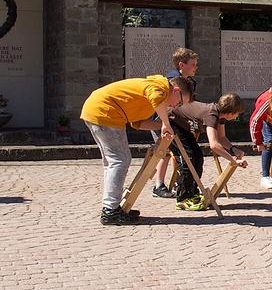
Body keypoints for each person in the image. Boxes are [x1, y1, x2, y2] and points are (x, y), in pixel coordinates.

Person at [80, 75, 192, 225]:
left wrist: (162, 125)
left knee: (112, 162)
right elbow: (155, 95)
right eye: (178, 102)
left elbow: (138, 123)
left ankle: (111, 207)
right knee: (120, 161)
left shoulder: (155, 99)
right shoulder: (161, 87)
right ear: (176, 90)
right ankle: (110, 211)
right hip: (105, 111)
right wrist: (165, 123)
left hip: (99, 110)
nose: (174, 107)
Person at [166, 93, 248, 211]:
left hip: (182, 126)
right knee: (188, 158)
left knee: (198, 157)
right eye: (237, 114)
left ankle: (192, 193)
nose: (237, 116)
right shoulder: (212, 115)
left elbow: (221, 138)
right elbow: (214, 145)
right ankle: (183, 198)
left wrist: (233, 149)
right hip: (171, 123)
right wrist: (233, 160)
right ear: (230, 113)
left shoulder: (221, 116)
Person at [152, 47, 199, 199]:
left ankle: (180, 182)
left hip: (179, 122)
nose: (195, 67)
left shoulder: (191, 82)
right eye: (192, 64)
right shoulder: (171, 80)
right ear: (181, 65)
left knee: (179, 153)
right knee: (165, 152)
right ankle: (159, 185)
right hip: (162, 120)